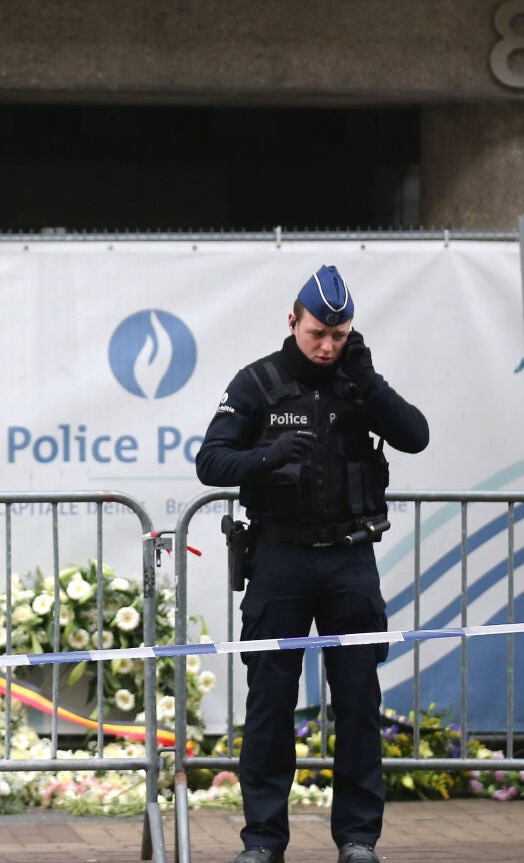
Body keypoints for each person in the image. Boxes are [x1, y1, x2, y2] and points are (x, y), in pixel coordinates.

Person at [196, 265, 430, 863]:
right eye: (317, 334)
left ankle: (357, 839)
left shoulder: (358, 381)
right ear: (293, 320)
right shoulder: (257, 383)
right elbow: (211, 462)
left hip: (351, 558)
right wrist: (268, 456)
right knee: (270, 704)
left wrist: (369, 382)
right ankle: (263, 842)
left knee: (358, 701)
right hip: (280, 559)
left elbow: (416, 436)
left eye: (339, 334)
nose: (328, 346)